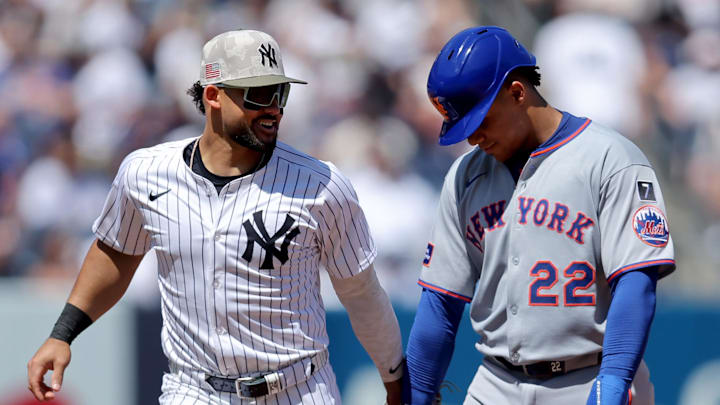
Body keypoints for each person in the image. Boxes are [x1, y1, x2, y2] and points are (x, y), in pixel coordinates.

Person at [27, 29, 405, 404]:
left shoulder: (321, 184)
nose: (273, 107)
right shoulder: (145, 173)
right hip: (193, 389)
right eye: (258, 94)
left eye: (280, 92)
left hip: (297, 389)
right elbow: (116, 254)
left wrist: (395, 378)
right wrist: (62, 334)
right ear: (213, 95)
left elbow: (360, 291)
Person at [404, 26, 675, 405]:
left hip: (589, 376)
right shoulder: (465, 175)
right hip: (495, 383)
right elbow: (440, 301)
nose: (472, 137)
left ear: (517, 92)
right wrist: (417, 391)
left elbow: (636, 281)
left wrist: (613, 381)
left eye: (479, 120)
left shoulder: (610, 160)